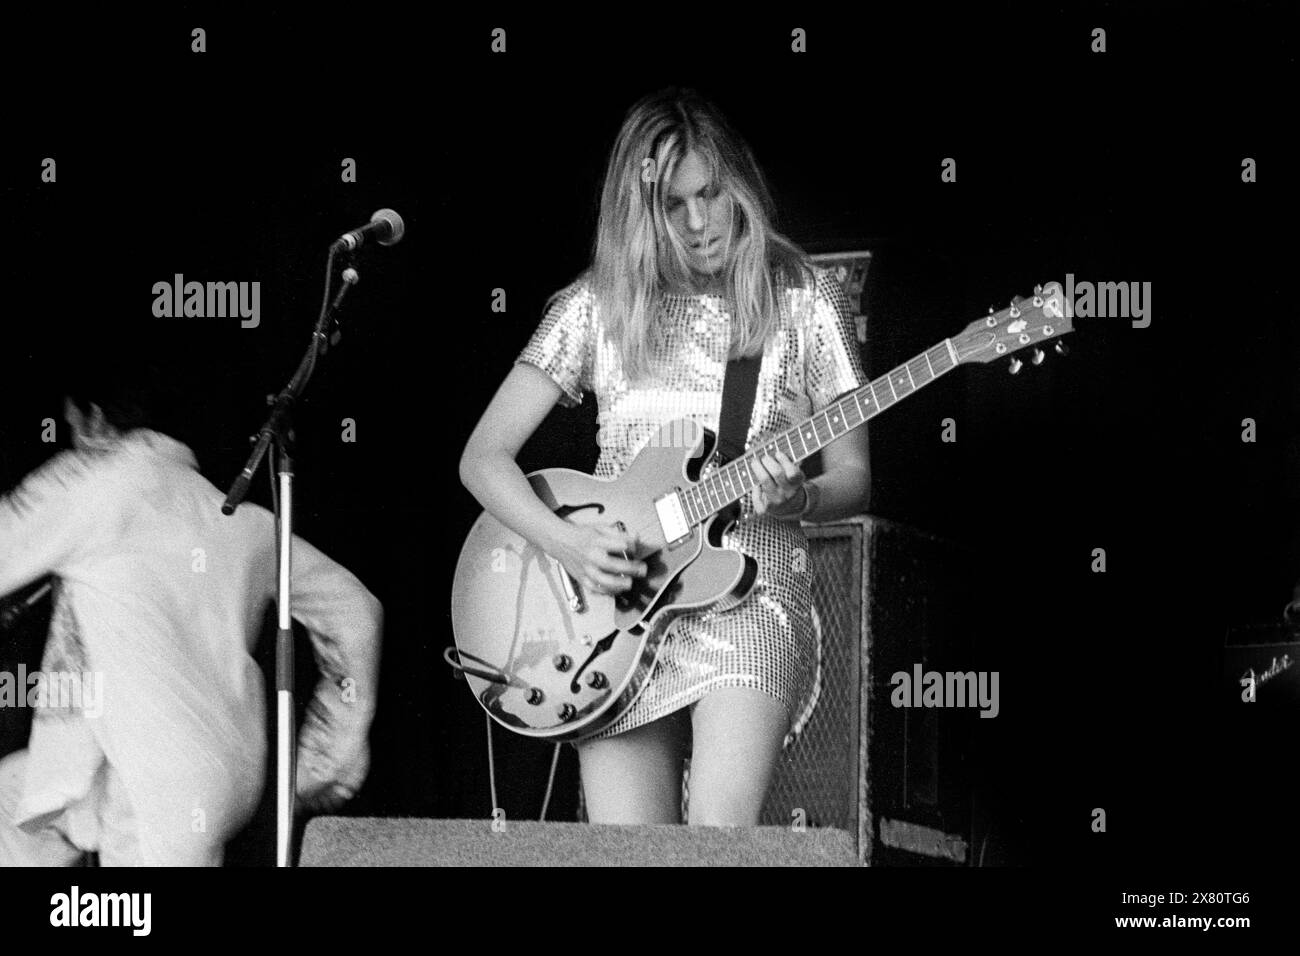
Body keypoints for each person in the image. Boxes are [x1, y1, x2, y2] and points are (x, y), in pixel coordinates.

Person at [459, 88, 870, 826]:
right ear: (640, 213)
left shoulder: (803, 297)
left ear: (738, 183)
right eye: (673, 206)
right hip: (614, 605)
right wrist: (570, 543)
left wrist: (798, 499)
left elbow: (852, 477)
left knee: (718, 841)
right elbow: (483, 458)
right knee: (630, 855)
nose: (700, 221)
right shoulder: (597, 305)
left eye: (712, 194)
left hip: (752, 589)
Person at [0, 356, 383, 865]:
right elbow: (356, 608)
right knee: (15, 805)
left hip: (158, 790)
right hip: (217, 780)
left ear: (92, 421)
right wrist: (331, 749)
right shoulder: (240, 522)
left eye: (72, 425)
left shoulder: (94, 482)